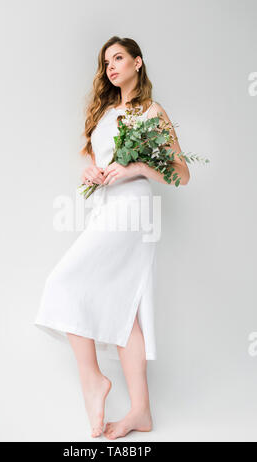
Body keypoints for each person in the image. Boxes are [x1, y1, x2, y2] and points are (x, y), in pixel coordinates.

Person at [34, 36, 190, 440]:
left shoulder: (153, 112)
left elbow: (182, 174)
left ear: (138, 63)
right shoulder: (105, 113)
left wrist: (137, 167)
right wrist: (90, 171)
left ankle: (93, 381)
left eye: (118, 58)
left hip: (133, 211)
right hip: (106, 207)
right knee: (127, 310)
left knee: (63, 280)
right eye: (106, 62)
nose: (111, 67)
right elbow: (96, 158)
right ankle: (141, 411)